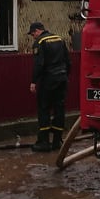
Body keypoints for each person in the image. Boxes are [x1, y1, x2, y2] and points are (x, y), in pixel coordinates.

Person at [28, 21, 71, 152]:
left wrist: (34, 81)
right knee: (59, 108)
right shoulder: (59, 39)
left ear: (36, 31)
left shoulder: (40, 42)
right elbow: (68, 61)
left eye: (32, 34)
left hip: (48, 80)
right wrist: (65, 76)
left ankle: (44, 142)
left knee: (44, 108)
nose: (33, 37)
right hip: (62, 79)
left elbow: (39, 64)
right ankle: (57, 141)